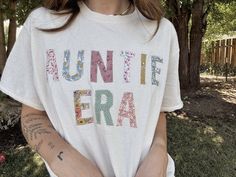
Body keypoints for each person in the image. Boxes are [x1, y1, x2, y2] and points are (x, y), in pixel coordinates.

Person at [0, 0, 183, 176]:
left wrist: (159, 151)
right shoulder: (41, 25)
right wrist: (62, 158)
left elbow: (157, 111)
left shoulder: (162, 32)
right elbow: (32, 115)